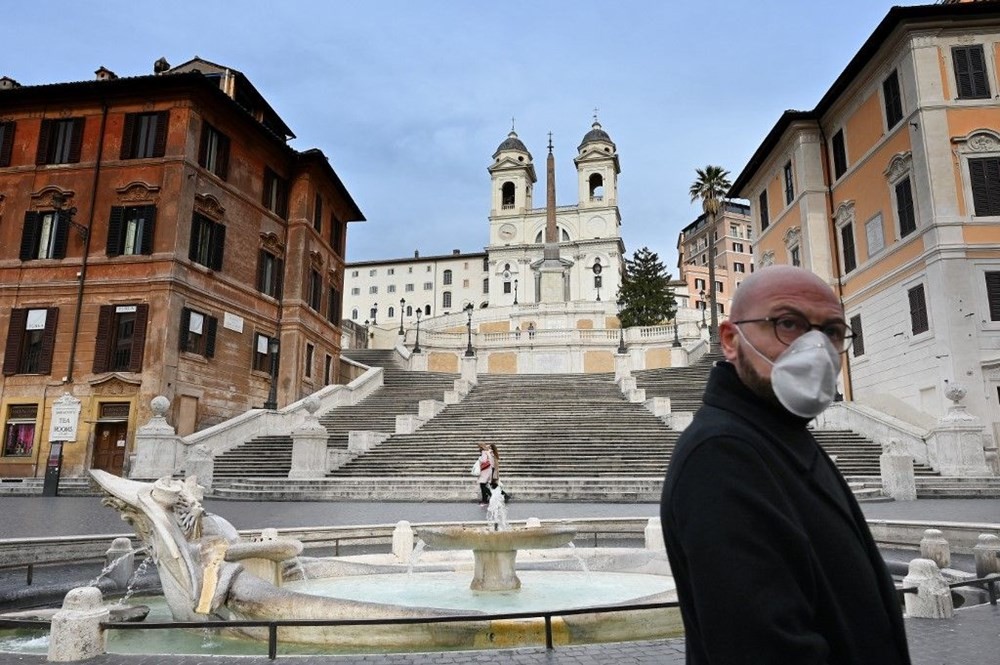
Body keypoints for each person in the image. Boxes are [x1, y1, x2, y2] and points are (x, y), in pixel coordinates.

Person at [660, 265, 911, 664]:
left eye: (831, 332)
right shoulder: (721, 455)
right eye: (788, 324)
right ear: (730, 339)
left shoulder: (780, 432)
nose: (816, 348)